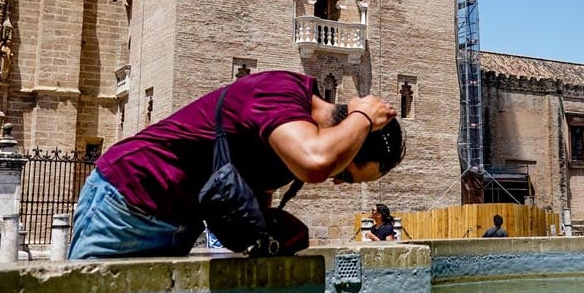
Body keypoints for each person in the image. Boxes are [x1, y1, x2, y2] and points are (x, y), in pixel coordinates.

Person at [69, 70, 404, 259]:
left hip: (178, 224)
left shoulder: (284, 152)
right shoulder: (281, 91)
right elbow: (316, 161)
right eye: (346, 173)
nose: (338, 182)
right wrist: (363, 113)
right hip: (128, 201)